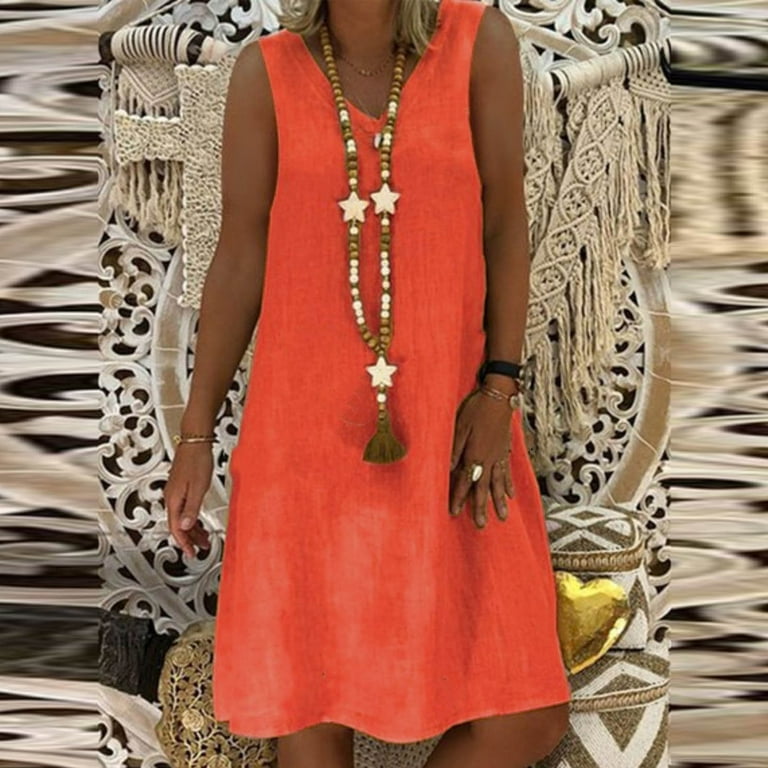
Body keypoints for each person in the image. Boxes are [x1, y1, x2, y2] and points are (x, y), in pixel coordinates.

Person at [163, 0, 572, 765]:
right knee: (313, 701)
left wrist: (500, 388)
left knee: (527, 711)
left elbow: (505, 221)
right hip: (302, 451)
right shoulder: (267, 74)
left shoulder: (475, 42)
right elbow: (239, 258)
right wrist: (194, 435)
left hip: (453, 435)